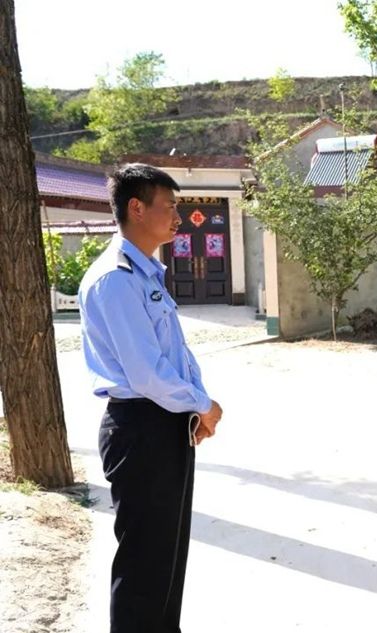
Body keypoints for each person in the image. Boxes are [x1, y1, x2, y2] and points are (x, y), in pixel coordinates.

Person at [79, 164, 223, 632]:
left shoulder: (144, 274)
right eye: (170, 206)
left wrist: (197, 402)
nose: (178, 217)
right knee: (144, 567)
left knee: (166, 561)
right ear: (137, 208)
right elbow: (146, 372)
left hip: (164, 423)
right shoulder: (116, 279)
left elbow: (174, 353)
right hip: (140, 428)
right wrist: (202, 405)